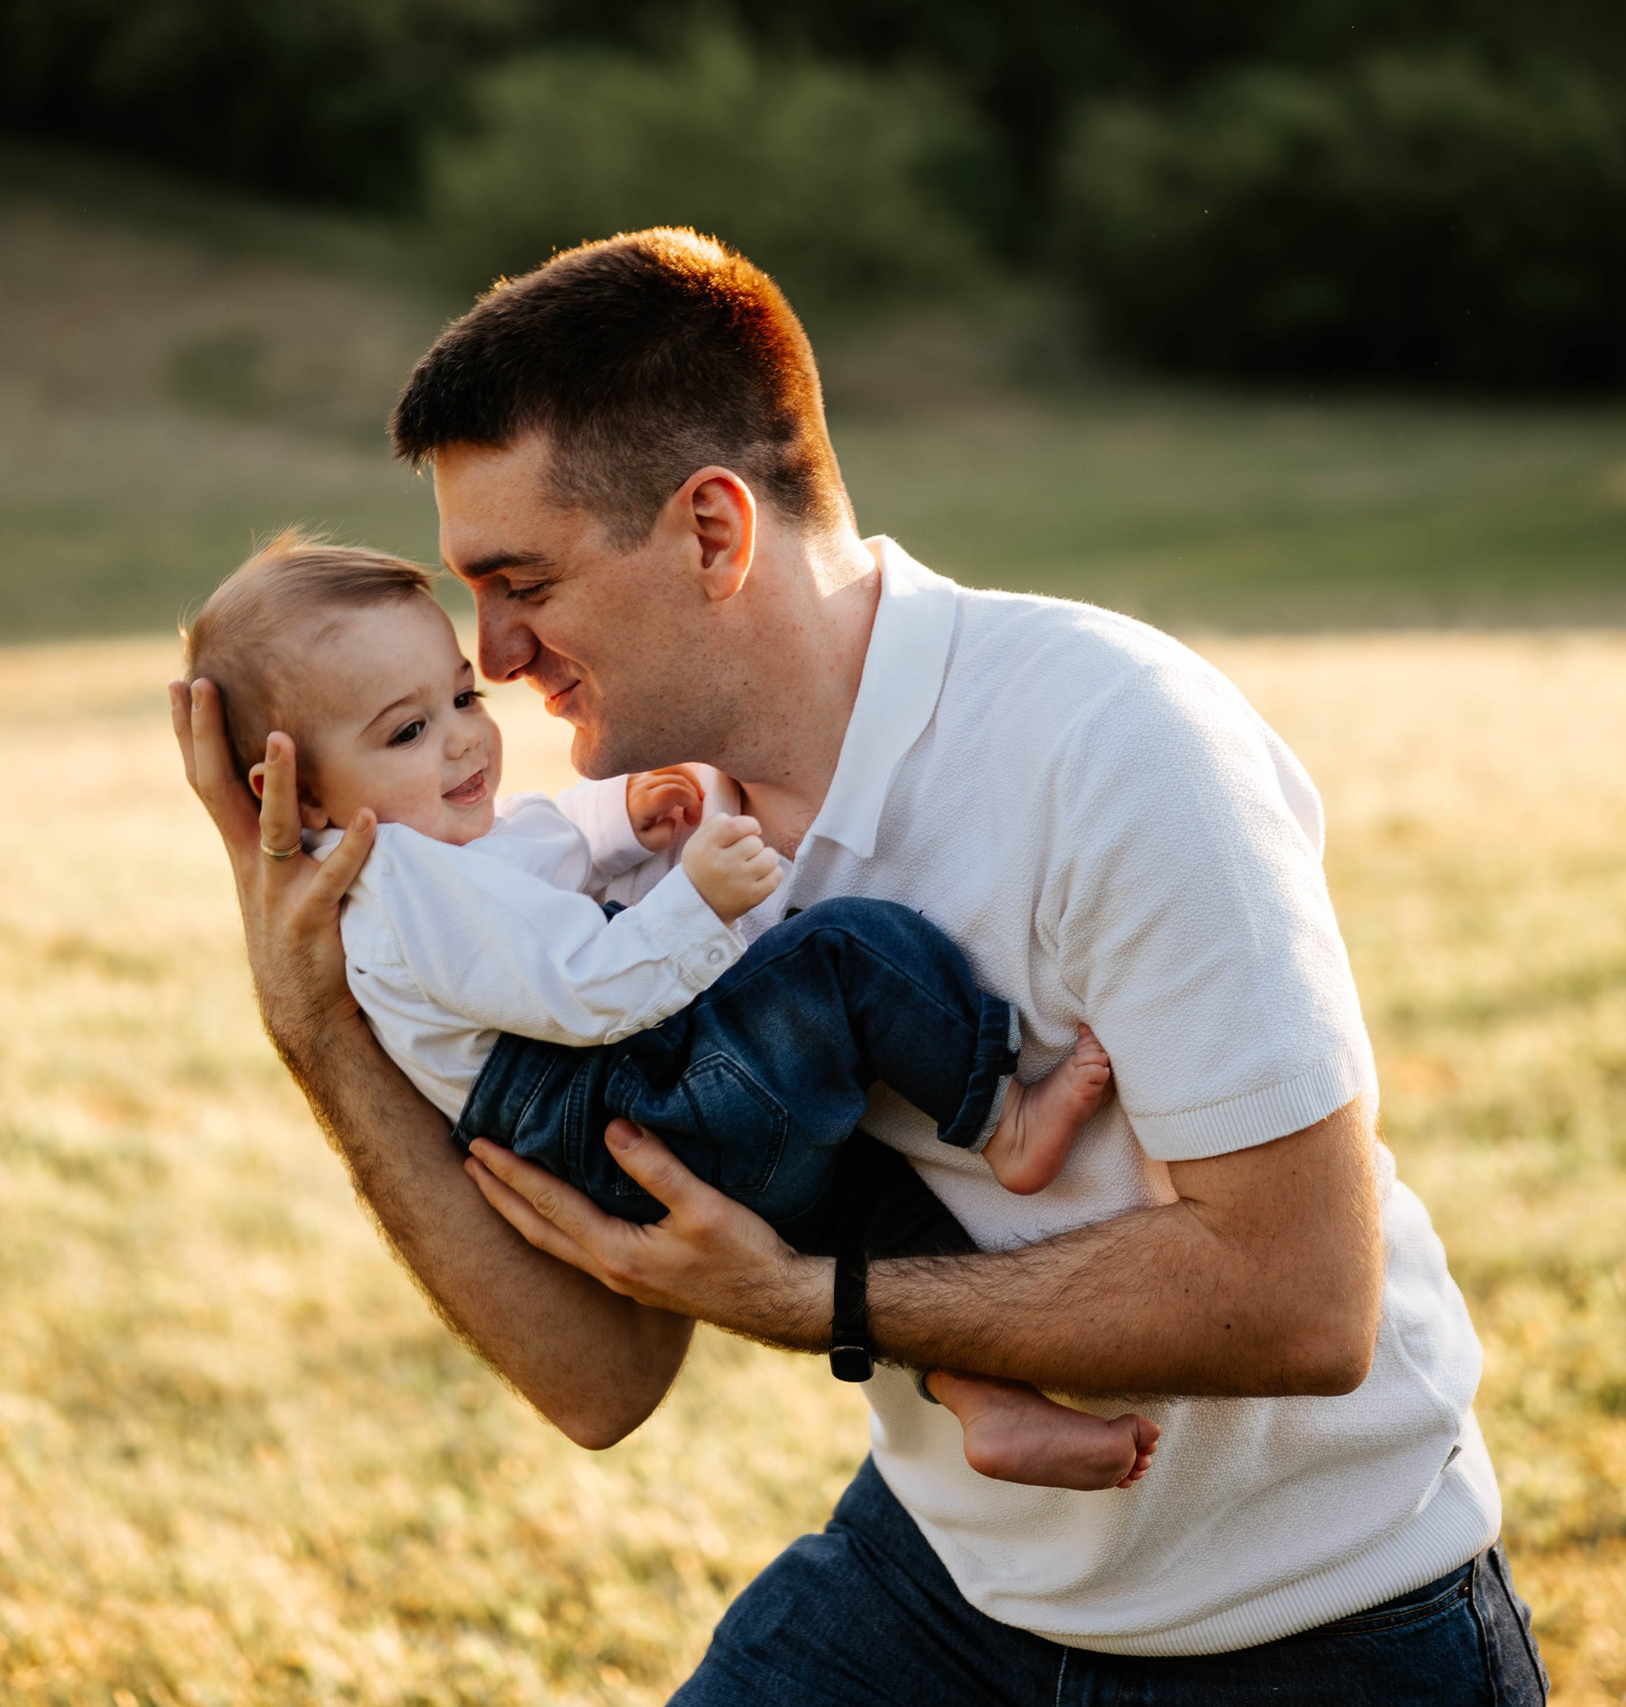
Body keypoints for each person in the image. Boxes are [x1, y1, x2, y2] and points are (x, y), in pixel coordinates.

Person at [172, 228, 1548, 1701]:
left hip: (1319, 1631)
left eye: (523, 581)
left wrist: (817, 1295)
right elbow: (599, 1379)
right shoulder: (646, 825)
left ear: (713, 532)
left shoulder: (1116, 741)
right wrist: (315, 1020)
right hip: (946, 1581)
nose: (492, 655)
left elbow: (1302, 1297)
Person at [179, 532, 1157, 1490]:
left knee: (859, 1201)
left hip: (618, 1132)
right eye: (406, 730)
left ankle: (988, 1403)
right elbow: (579, 987)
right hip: (625, 1096)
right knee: (847, 950)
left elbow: (540, 845)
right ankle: (1001, 1116)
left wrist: (623, 817)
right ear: (295, 795)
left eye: (461, 696)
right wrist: (698, 897)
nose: (465, 735)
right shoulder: (402, 884)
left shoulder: (422, 854)